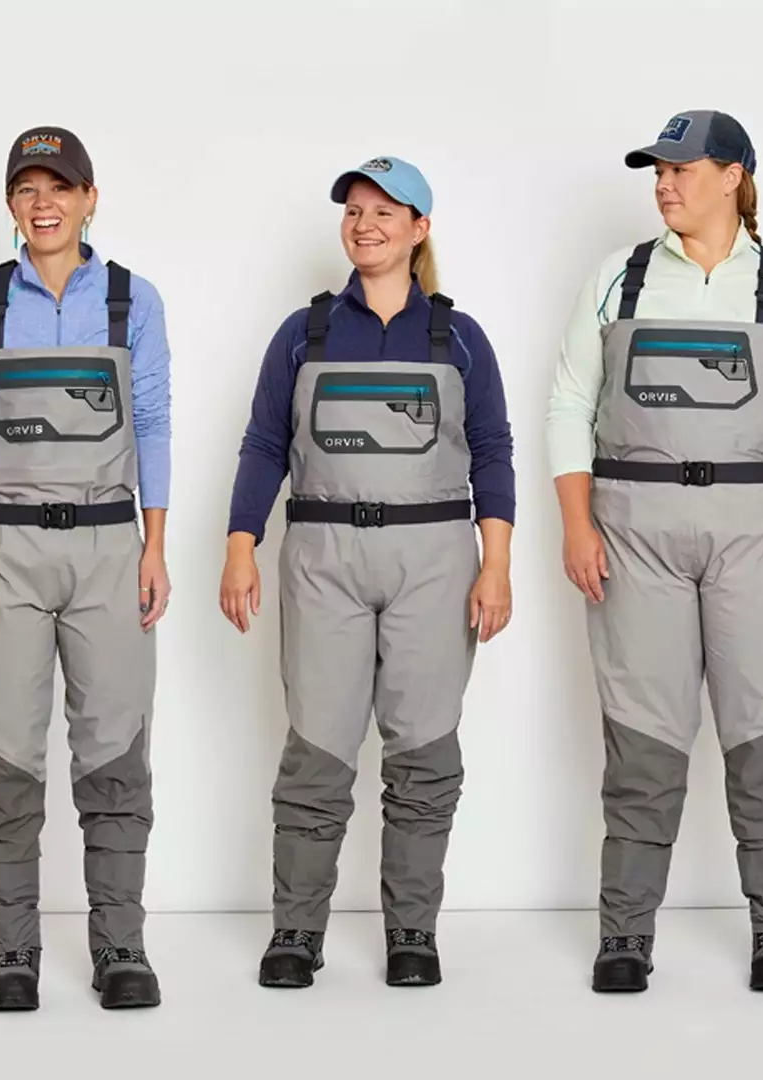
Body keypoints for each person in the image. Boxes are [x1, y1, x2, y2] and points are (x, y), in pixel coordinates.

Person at [547, 111, 763, 993]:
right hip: (634, 534)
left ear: (733, 177)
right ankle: (625, 936)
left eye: (682, 168)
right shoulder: (619, 280)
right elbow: (569, 403)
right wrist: (577, 524)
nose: (664, 183)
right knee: (641, 740)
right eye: (658, 170)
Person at [220, 156, 515, 988]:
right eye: (354, 210)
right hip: (323, 559)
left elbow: (492, 451)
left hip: (435, 560)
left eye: (386, 211)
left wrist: (496, 563)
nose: (366, 224)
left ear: (420, 229)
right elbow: (264, 444)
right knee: (317, 749)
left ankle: (411, 933)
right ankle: (296, 932)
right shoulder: (304, 332)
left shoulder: (459, 337)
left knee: (424, 752)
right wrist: (241, 544)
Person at [0, 126, 172, 1011]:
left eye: (60, 187)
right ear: (11, 204)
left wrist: (154, 544)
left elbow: (154, 419)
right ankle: (11, 952)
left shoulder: (132, 300)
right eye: (27, 189)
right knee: (4, 752)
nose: (44, 204)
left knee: (116, 750)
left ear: (89, 198)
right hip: (1, 550)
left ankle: (120, 946)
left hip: (111, 547)